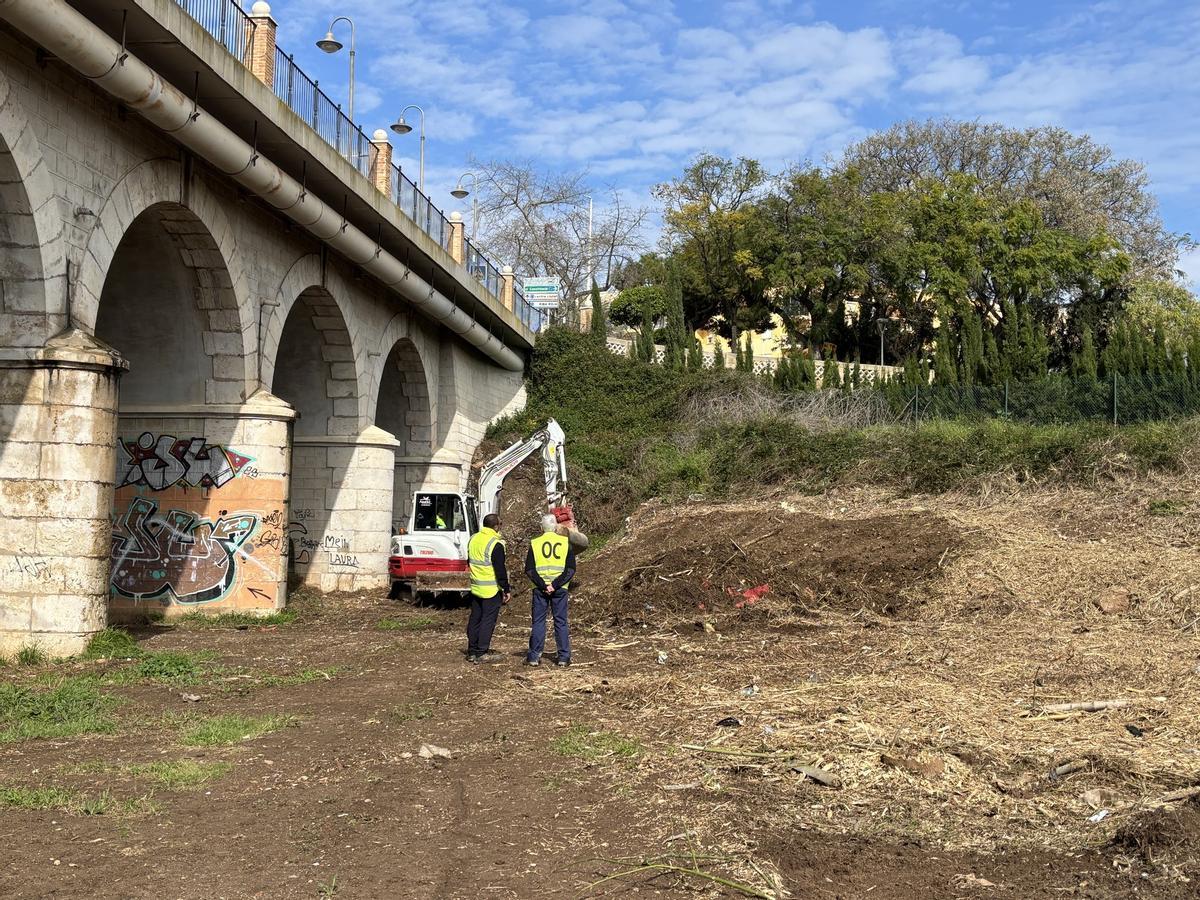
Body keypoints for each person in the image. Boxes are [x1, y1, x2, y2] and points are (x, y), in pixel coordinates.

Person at [524, 513, 577, 667]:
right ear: (555, 527)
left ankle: (534, 657)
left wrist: (543, 585)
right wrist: (555, 585)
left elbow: (529, 569)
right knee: (560, 622)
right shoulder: (565, 543)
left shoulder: (535, 543)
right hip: (559, 589)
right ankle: (563, 657)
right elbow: (570, 569)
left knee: (538, 621)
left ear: (542, 528)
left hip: (540, 589)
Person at [466, 513, 510, 663]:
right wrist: (506, 588)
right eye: (501, 524)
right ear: (496, 526)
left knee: (475, 618)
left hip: (476, 586)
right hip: (491, 589)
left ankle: (472, 651)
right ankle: (481, 652)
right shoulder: (495, 544)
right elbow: (500, 569)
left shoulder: (473, 539)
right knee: (487, 621)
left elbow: (469, 561)